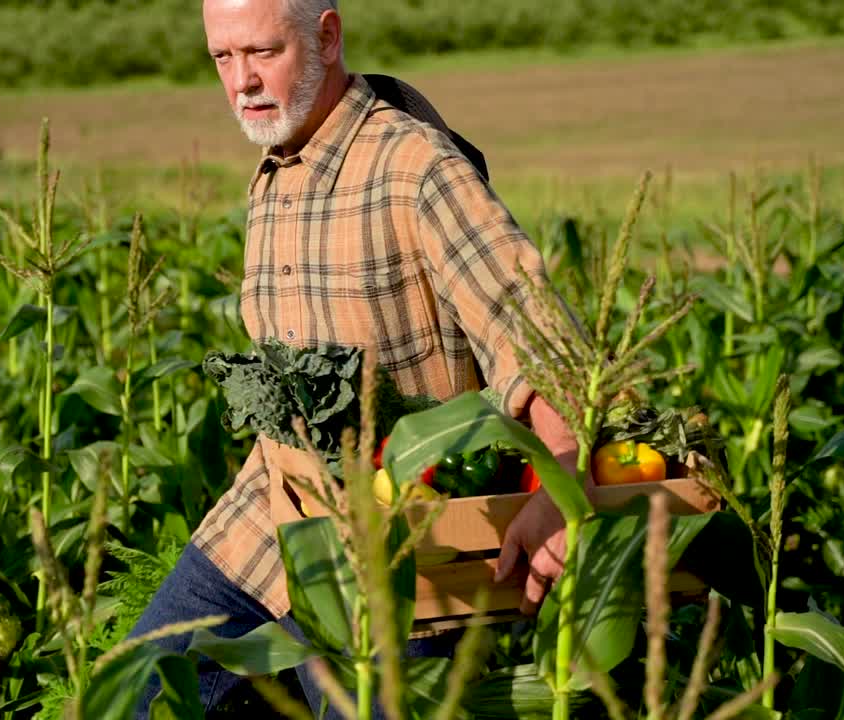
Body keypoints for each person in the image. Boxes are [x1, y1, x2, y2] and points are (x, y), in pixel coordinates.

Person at [127, 0, 587, 716]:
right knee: (130, 695)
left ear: (328, 36)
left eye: (262, 52)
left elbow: (536, 330)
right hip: (268, 517)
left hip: (391, 551)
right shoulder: (276, 165)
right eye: (223, 58)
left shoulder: (416, 167)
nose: (242, 80)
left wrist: (557, 480)